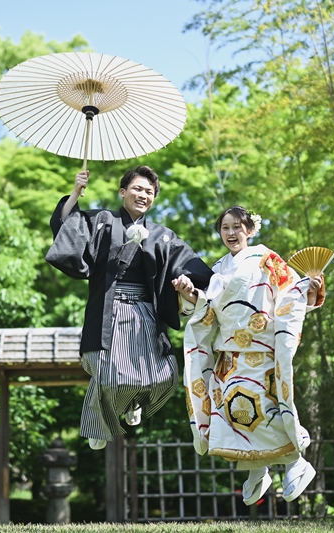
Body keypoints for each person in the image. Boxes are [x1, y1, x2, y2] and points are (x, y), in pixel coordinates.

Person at [46, 166, 214, 450]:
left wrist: (188, 283)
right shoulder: (101, 220)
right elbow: (66, 229)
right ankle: (102, 423)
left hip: (145, 312)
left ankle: (135, 400)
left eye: (149, 192)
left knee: (165, 376)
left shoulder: (162, 235)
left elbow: (194, 269)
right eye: (137, 189)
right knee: (108, 374)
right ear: (122, 192)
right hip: (108, 312)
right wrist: (76, 192)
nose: (143, 195)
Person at [173, 206, 325, 505]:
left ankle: (296, 461)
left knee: (268, 408)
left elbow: (291, 291)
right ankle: (256, 467)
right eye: (225, 228)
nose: (231, 233)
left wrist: (309, 287)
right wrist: (190, 293)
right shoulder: (217, 268)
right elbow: (207, 308)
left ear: (250, 230)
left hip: (261, 350)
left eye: (237, 227)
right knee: (233, 411)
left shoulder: (266, 258)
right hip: (229, 355)